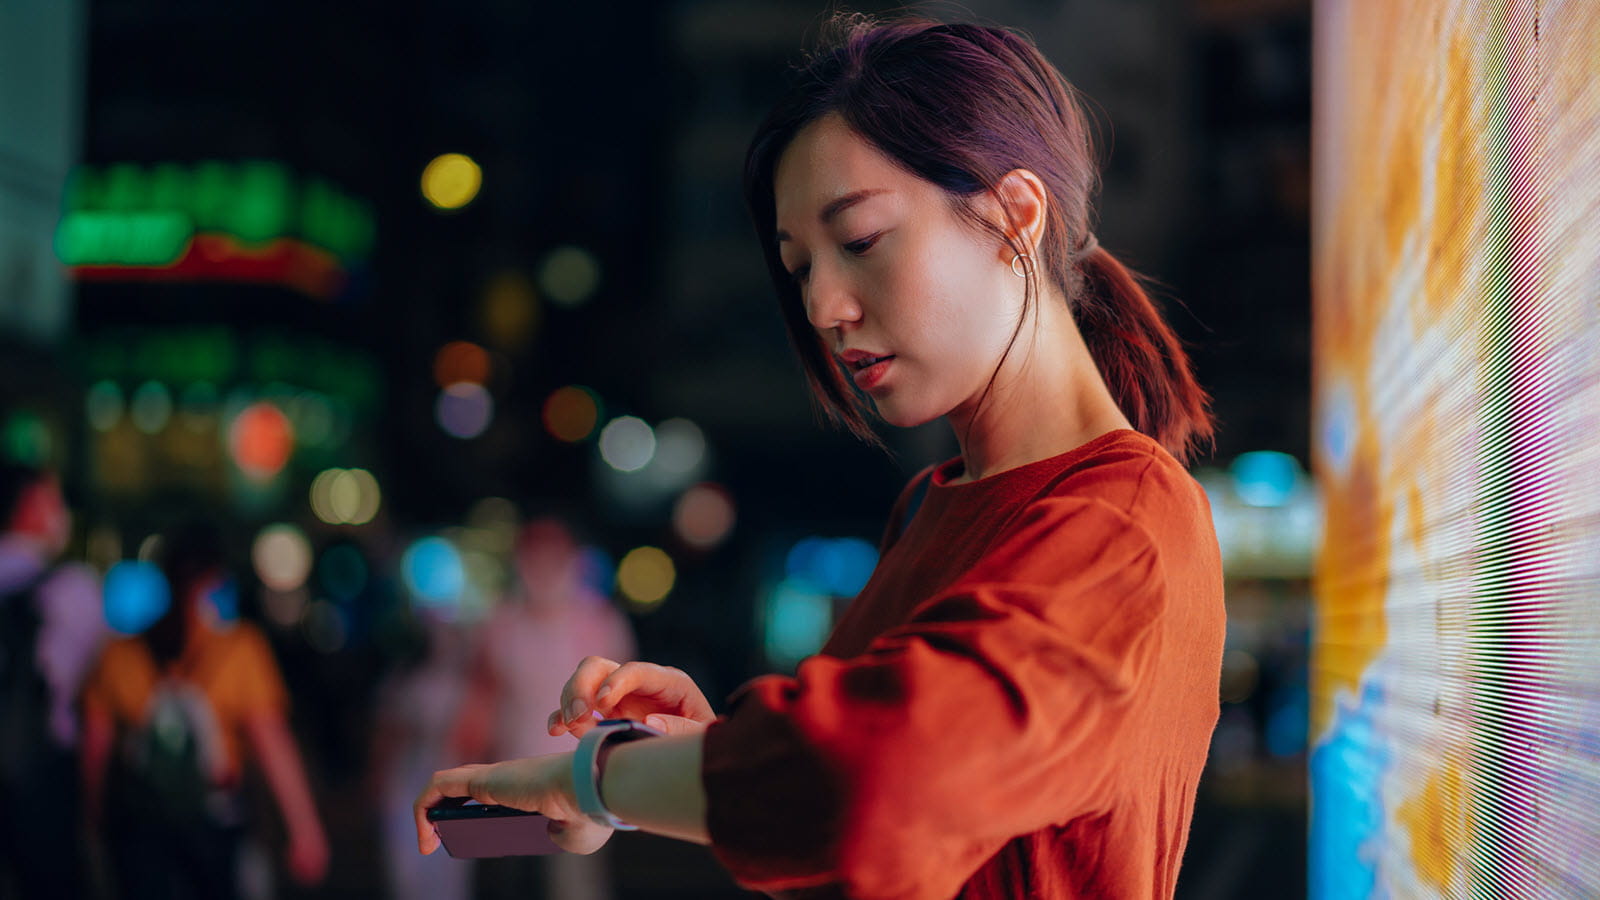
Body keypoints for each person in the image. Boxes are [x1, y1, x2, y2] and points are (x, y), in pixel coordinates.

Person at [415, 14, 1225, 899]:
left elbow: (880, 784)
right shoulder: (931, 503)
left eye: (862, 241)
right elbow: (867, 830)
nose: (825, 306)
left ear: (1013, 214)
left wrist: (596, 779)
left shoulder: (1124, 523)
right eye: (800, 267)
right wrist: (715, 755)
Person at [81, 524, 329, 898]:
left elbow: (95, 751)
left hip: (140, 827)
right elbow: (270, 741)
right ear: (215, 580)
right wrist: (304, 829)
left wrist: (91, 826)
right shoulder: (241, 647)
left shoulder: (119, 655)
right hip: (215, 821)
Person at [448, 516, 637, 900]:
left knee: (572, 885)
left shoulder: (600, 622)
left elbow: (627, 708)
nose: (544, 566)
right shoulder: (501, 624)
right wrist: (461, 775)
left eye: (553, 555)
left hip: (579, 785)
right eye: (534, 555)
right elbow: (478, 707)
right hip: (509, 780)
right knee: (507, 884)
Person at [0, 463, 105, 900]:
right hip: (41, 774)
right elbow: (100, 692)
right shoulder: (72, 589)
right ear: (29, 508)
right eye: (54, 502)